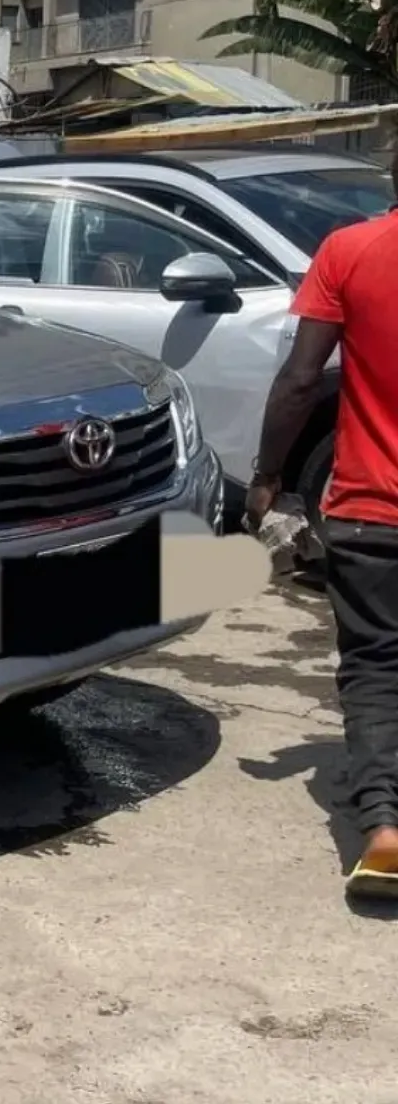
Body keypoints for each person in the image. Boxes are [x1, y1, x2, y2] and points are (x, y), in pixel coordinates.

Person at [248, 180, 398, 898]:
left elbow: (301, 381)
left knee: (375, 666)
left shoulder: (349, 250)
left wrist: (267, 475)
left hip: (372, 510)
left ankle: (384, 829)